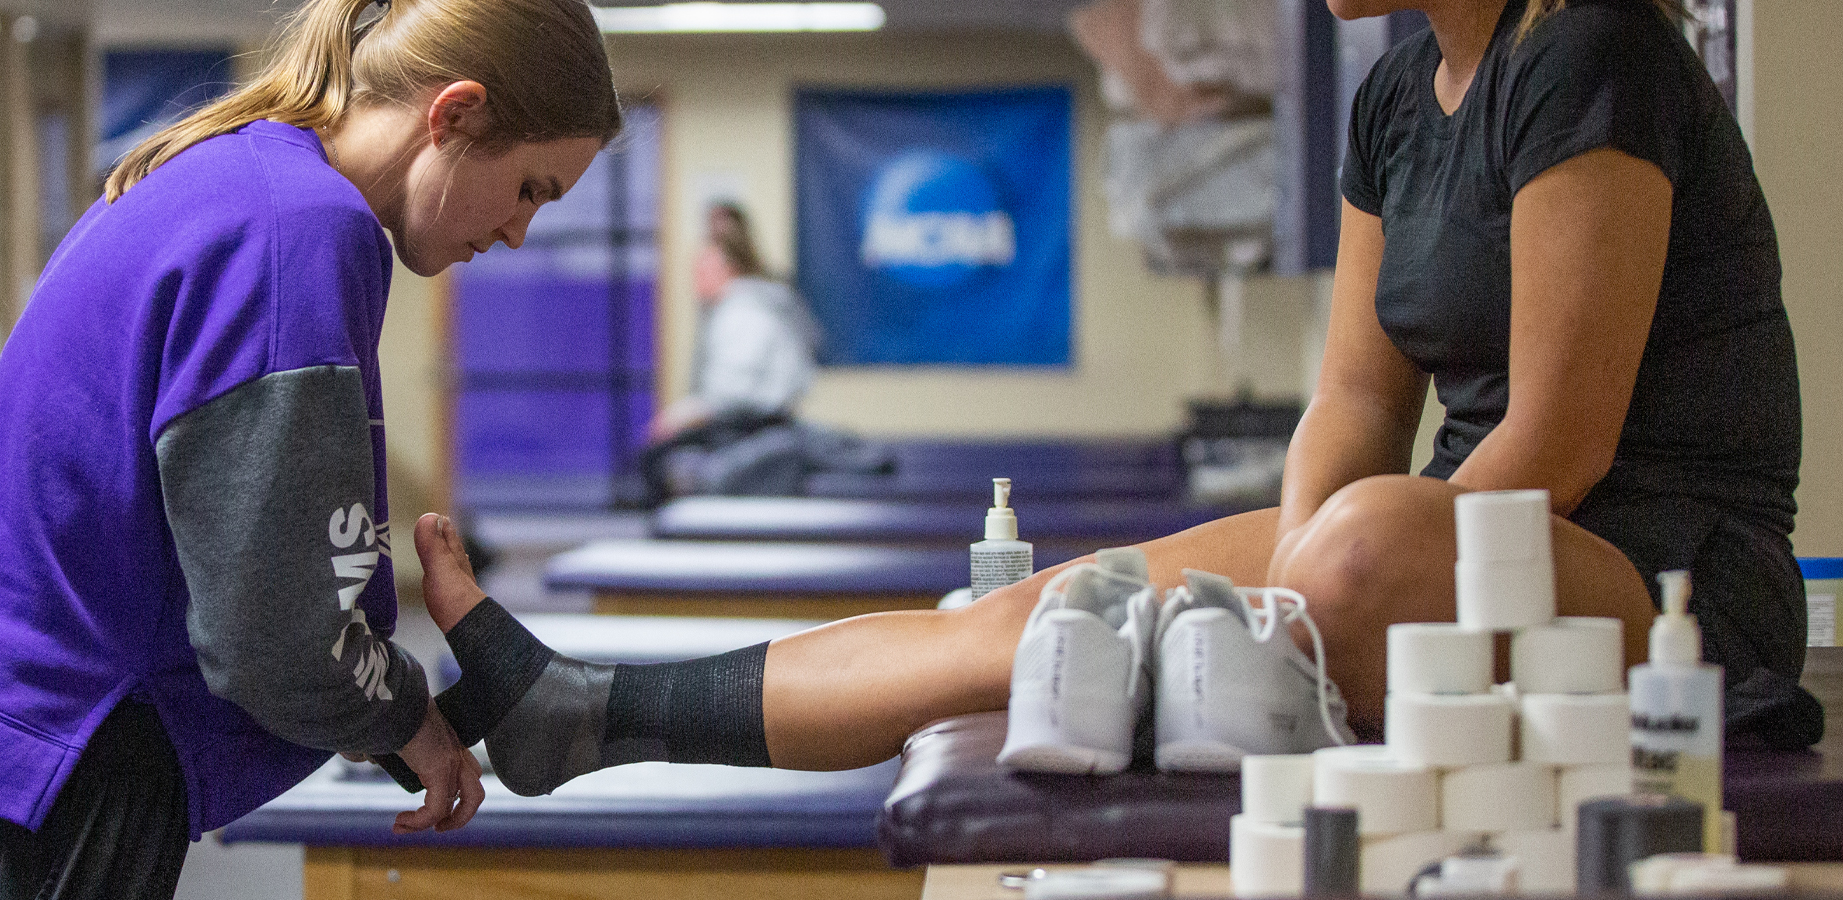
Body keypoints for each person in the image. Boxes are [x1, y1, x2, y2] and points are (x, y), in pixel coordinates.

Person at [406, 0, 1819, 798]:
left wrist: (1316, 586)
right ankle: (586, 711)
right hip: (1429, 540)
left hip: (1650, 571)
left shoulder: (1591, 50)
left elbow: (1558, 446)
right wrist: (1302, 578)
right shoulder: (1396, 97)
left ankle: (1331, 595)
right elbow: (1352, 396)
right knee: (1041, 612)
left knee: (1367, 547)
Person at [0, 0, 620, 896]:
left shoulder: (233, 178)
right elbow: (276, 632)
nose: (517, 231)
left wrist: (373, 698)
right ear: (453, 114)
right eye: (532, 187)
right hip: (22, 803)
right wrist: (407, 716)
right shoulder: (301, 227)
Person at [635, 202, 825, 501]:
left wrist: (677, 417)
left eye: (702, 269)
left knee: (655, 458)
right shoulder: (755, 302)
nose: (695, 279)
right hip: (756, 423)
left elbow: (729, 394)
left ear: (727, 267)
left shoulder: (742, 311)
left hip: (749, 427)